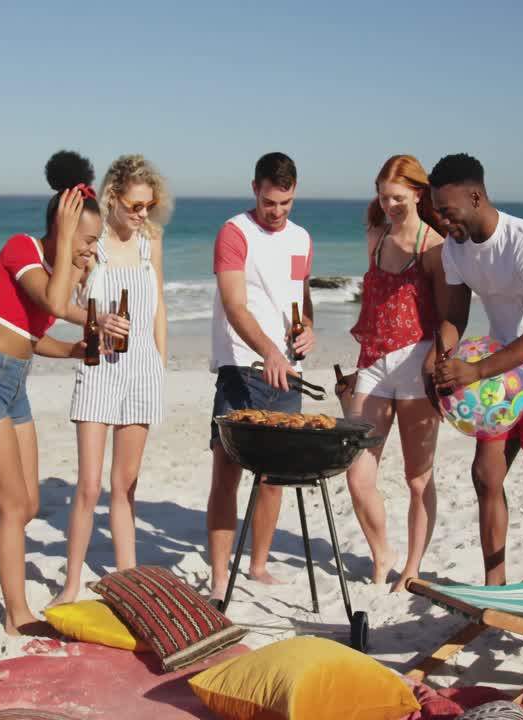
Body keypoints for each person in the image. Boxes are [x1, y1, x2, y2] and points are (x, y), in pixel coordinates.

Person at [0, 151, 104, 627]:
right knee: (13, 505)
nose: (89, 250)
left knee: (28, 504)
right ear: (60, 231)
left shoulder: (60, 269)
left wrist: (77, 351)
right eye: (85, 240)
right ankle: (17, 613)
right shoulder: (23, 249)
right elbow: (55, 302)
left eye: (95, 242)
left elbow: (35, 341)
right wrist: (71, 262)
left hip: (14, 384)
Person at [425, 154, 523, 586]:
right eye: (437, 210)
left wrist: (474, 372)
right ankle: (496, 585)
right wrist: (438, 361)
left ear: (475, 197)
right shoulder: (455, 249)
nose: (441, 219)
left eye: (447, 209)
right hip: (501, 371)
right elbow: (454, 319)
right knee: (485, 475)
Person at [52, 155, 171, 606]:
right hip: (99, 367)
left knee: (126, 485)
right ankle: (69, 585)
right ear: (113, 199)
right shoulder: (93, 244)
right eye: (136, 206)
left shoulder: (150, 243)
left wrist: (160, 360)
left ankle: (127, 580)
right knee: (88, 486)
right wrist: (96, 319)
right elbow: (60, 302)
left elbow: (158, 305)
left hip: (142, 369)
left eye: (149, 205)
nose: (143, 214)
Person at [206, 152, 315, 600]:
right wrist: (268, 349)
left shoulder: (302, 237)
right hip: (241, 366)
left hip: (287, 372)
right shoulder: (234, 232)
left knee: (274, 478)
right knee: (226, 472)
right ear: (255, 189)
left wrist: (308, 329)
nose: (277, 212)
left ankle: (258, 565)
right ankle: (217, 578)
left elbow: (300, 297)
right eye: (271, 202)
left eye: (286, 203)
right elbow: (235, 305)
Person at [343, 155, 447, 591]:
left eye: (398, 197)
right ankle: (381, 551)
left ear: (419, 194)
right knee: (357, 474)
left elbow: (449, 315)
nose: (390, 205)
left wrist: (439, 366)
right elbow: (371, 306)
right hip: (373, 365)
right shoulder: (376, 236)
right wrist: (354, 370)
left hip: (417, 365)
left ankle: (412, 566)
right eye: (384, 197)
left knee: (417, 477)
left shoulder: (434, 245)